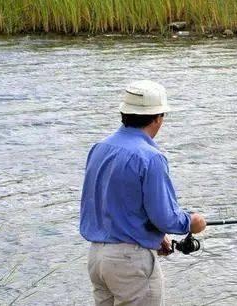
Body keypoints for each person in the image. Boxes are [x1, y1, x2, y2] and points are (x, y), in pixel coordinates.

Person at [79, 80, 206, 306]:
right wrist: (192, 223)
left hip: (97, 259)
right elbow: (165, 217)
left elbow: (103, 204)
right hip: (130, 264)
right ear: (158, 117)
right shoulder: (151, 157)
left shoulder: (99, 148)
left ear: (124, 113)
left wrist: (155, 237)